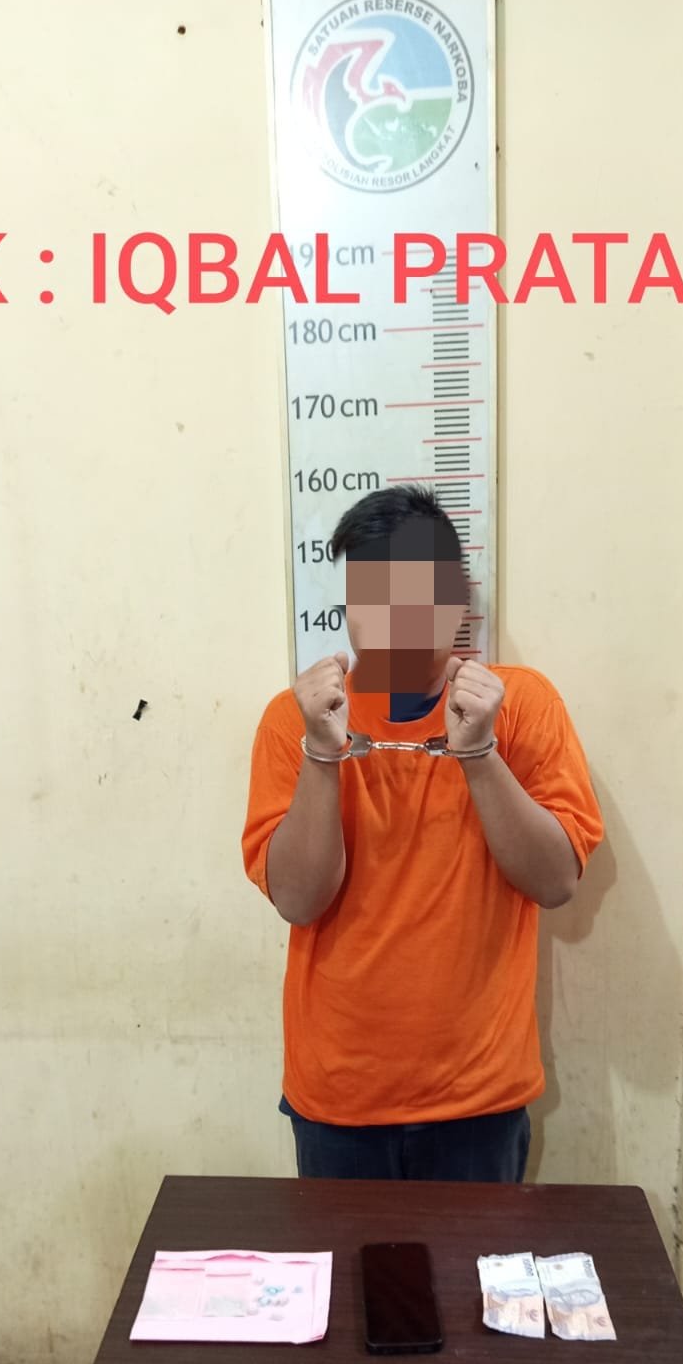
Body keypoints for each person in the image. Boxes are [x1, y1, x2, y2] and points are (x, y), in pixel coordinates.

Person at [242, 484, 603, 1182]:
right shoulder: (296, 720)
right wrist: (322, 754)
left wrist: (479, 752)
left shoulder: (521, 704)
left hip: (479, 1095)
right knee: (342, 1262)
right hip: (338, 1094)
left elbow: (556, 881)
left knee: (476, 1262)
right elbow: (299, 899)